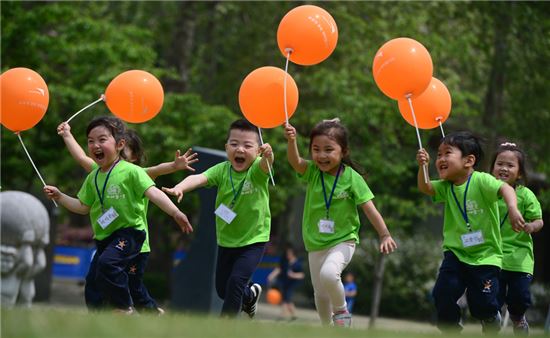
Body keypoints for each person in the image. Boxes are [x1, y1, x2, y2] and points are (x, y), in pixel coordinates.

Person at [44, 116, 193, 314]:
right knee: (95, 282)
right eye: (90, 141)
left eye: (102, 140)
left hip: (130, 235)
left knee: (111, 267)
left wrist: (175, 212)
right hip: (105, 238)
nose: (95, 145)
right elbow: (82, 206)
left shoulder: (133, 172)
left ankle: (123, 308)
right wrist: (61, 196)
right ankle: (106, 319)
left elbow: (154, 191)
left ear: (120, 145)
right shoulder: (94, 176)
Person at [284, 119, 397, 327]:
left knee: (329, 273)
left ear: (343, 151)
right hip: (315, 241)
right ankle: (327, 329)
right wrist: (292, 141)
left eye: (329, 149)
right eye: (316, 149)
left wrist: (384, 234)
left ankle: (341, 310)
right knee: (320, 292)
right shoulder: (313, 172)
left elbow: (369, 209)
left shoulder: (352, 178)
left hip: (344, 240)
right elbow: (295, 162)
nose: (321, 155)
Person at [162, 118, 274, 318]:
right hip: (227, 239)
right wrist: (180, 187)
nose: (240, 149)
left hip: (254, 239)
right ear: (226, 147)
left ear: (258, 151)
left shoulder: (257, 169)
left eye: (247, 145)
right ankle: (250, 296)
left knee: (236, 283)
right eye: (234, 144)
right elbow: (199, 178)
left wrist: (268, 157)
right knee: (224, 290)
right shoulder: (222, 170)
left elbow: (266, 166)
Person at [416, 131, 525, 333]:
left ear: (469, 160)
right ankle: (451, 329)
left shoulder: (482, 180)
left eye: (447, 153)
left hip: (486, 256)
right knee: (442, 293)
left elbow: (506, 189)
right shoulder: (447, 187)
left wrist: (512, 208)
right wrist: (422, 166)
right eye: (438, 155)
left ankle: (490, 317)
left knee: (481, 304)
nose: (440, 159)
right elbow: (426, 187)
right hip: (455, 253)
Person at [490, 142, 543, 335]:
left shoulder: (525, 195)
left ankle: (518, 317)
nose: (504, 168)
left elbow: (539, 221)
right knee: (490, 296)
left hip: (519, 259)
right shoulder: (485, 191)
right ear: (492, 168)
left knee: (519, 297)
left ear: (519, 173)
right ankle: (491, 319)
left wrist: (530, 226)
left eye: (510, 165)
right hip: (491, 257)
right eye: (499, 163)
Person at [267, 245, 305, 321]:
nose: (288, 255)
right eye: (287, 253)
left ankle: (284, 315)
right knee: (286, 299)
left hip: (291, 284)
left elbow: (302, 275)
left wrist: (293, 275)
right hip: (283, 283)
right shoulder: (285, 262)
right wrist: (271, 275)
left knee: (286, 299)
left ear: (293, 254)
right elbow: (279, 269)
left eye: (290, 253)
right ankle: (292, 315)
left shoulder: (297, 263)